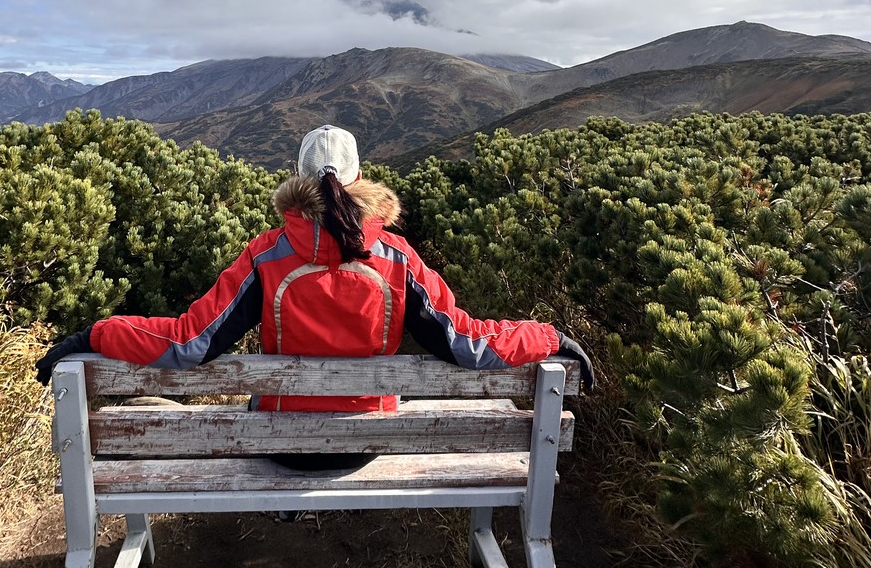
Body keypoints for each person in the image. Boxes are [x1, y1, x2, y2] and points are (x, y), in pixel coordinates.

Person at [35, 125, 595, 435]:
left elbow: (188, 343)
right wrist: (547, 338)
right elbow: (467, 341)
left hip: (280, 439)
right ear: (361, 178)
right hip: (371, 438)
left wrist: (93, 335)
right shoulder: (396, 259)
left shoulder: (268, 256)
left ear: (297, 179)